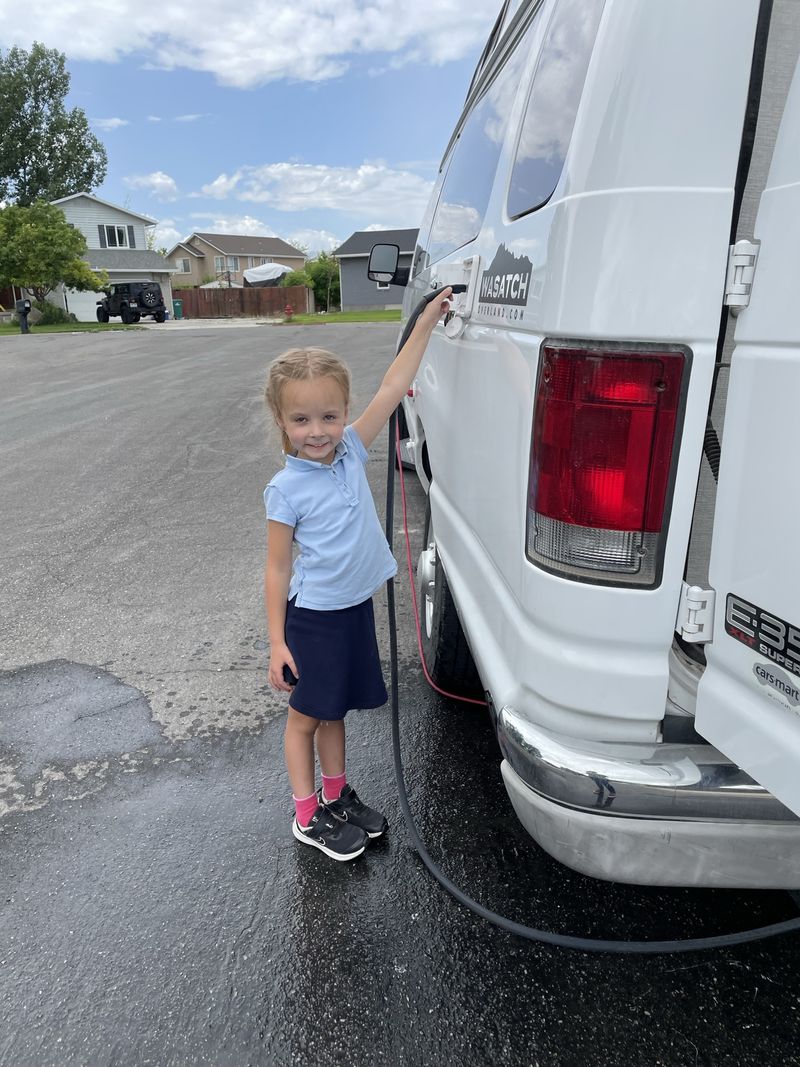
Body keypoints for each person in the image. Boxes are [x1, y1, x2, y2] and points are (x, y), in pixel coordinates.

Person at [263, 288, 453, 862]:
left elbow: (394, 386)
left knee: (334, 710)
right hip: (314, 620)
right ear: (282, 420)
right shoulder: (286, 489)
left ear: (344, 414)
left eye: (329, 415)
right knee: (305, 718)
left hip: (351, 610)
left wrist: (426, 320)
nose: (318, 430)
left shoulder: (349, 450)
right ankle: (306, 816)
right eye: (301, 419)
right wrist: (277, 643)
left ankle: (337, 794)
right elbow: (275, 569)